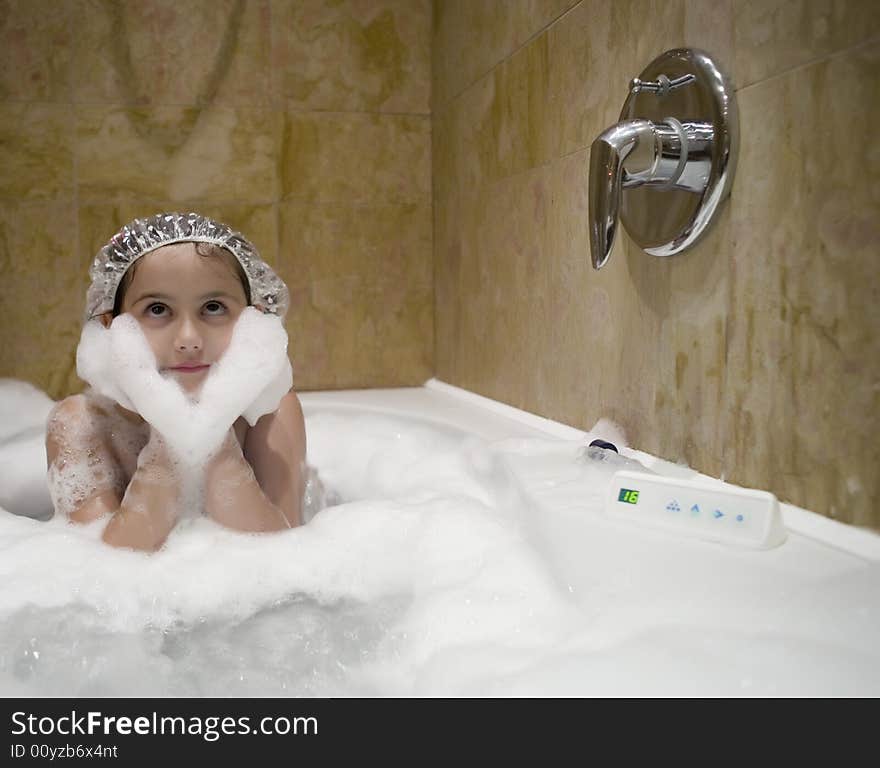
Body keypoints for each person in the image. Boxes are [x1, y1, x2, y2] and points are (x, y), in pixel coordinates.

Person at [45, 212, 306, 552]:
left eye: (213, 307)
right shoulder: (80, 424)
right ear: (111, 325)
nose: (188, 339)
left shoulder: (270, 412)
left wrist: (214, 445)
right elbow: (97, 571)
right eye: (157, 309)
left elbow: (287, 555)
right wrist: (170, 445)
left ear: (252, 319)